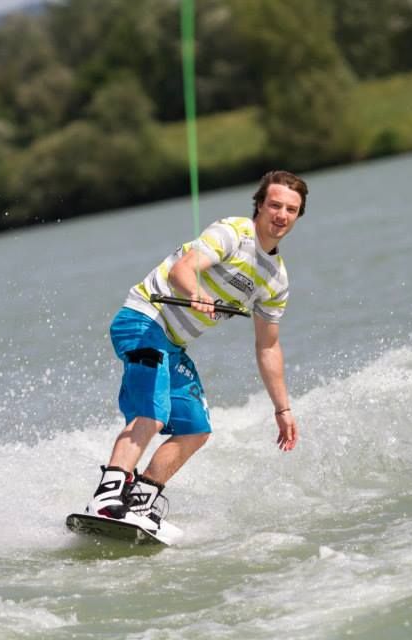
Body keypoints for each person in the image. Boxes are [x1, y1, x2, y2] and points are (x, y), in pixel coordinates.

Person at [85, 170, 307, 534]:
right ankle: (107, 497)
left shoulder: (275, 280)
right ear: (260, 205)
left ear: (298, 216)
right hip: (142, 320)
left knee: (195, 428)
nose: (281, 215)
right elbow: (183, 269)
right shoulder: (233, 233)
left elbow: (268, 345)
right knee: (152, 414)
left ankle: (140, 501)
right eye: (275, 205)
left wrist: (282, 408)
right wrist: (194, 293)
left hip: (171, 344)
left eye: (291, 210)